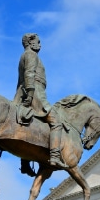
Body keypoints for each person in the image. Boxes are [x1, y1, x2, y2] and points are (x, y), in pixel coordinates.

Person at [14, 33, 68, 172]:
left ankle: (25, 164)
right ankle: (55, 156)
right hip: (35, 92)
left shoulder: (23, 56)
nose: (40, 45)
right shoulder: (31, 55)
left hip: (26, 92)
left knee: (27, 127)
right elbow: (29, 74)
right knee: (56, 122)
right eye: (38, 41)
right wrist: (31, 94)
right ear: (31, 42)